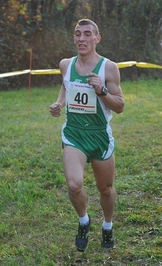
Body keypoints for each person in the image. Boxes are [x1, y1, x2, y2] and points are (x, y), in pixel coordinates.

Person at [49, 19, 124, 252]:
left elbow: (120, 106)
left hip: (99, 135)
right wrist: (59, 103)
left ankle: (108, 225)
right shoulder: (65, 64)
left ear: (96, 38)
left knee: (106, 189)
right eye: (78, 34)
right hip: (74, 134)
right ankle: (83, 221)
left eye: (87, 34)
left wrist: (101, 90)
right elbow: (65, 85)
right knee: (73, 184)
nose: (82, 38)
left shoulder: (108, 68)